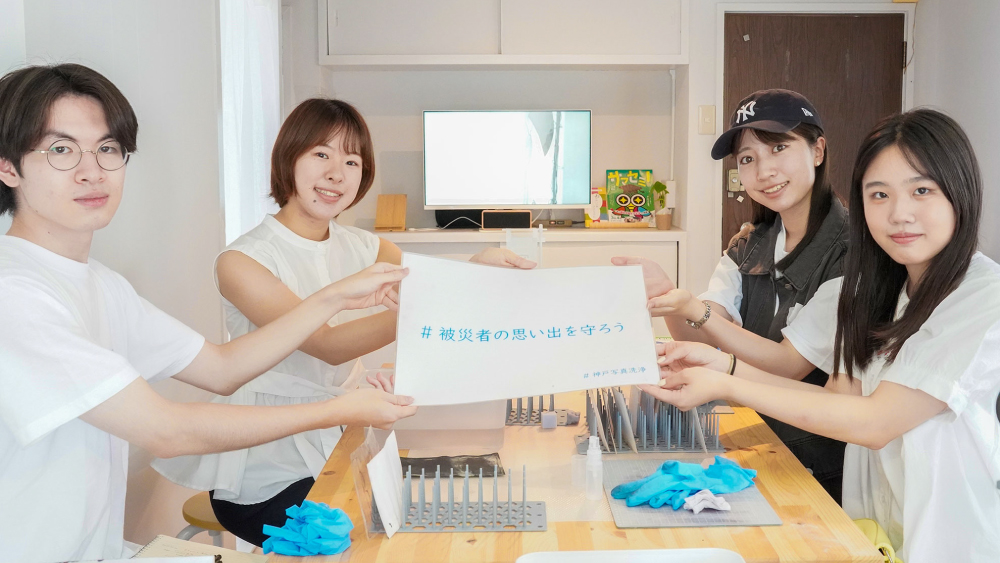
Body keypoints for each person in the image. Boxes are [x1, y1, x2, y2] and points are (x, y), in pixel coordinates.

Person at [0, 64, 418, 562]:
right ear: (8, 167)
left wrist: (332, 298)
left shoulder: (102, 286)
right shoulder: (15, 293)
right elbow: (166, 430)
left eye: (107, 149)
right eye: (60, 149)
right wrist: (341, 409)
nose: (92, 171)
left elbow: (221, 369)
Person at [153, 98, 535, 546]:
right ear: (288, 158)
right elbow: (326, 345)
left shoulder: (365, 246)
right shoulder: (243, 261)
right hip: (267, 467)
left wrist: (475, 268)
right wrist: (420, 312)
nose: (337, 173)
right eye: (322, 154)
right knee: (372, 542)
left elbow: (429, 286)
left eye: (352, 161)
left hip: (345, 436)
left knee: (428, 524)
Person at [645, 108, 1000, 562]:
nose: (899, 214)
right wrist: (721, 366)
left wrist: (727, 382)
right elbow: (837, 398)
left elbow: (874, 422)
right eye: (879, 194)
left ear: (961, 191)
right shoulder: (871, 287)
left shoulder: (980, 298)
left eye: (922, 190)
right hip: (875, 535)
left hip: (953, 545)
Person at [614, 89, 848, 501]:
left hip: (815, 458)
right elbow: (701, 332)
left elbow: (790, 366)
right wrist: (669, 297)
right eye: (747, 159)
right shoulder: (751, 242)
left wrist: (694, 308)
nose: (764, 170)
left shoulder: (848, 252)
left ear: (817, 150)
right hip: (755, 437)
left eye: (778, 148)